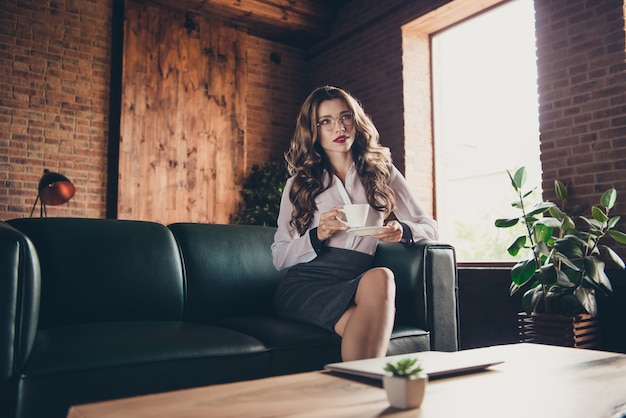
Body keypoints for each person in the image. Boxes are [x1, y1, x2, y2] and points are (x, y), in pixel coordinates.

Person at [271, 86, 438, 361]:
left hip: (356, 276)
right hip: (306, 283)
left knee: (382, 276)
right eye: (326, 121)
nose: (340, 127)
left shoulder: (383, 173)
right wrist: (317, 234)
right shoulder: (297, 185)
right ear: (313, 131)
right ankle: (370, 393)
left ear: (355, 120)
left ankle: (358, 392)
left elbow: (430, 227)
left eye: (345, 116)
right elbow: (279, 256)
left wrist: (403, 231)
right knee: (363, 334)